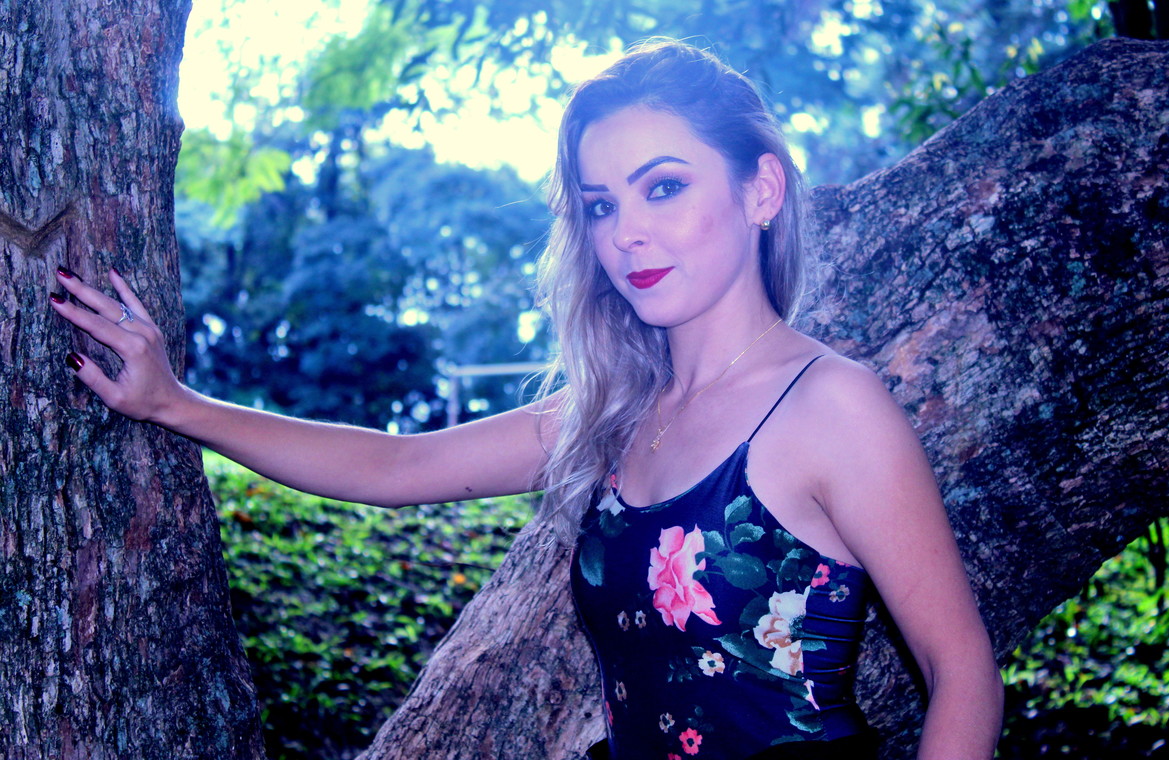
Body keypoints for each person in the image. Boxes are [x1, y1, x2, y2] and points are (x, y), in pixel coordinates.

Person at [51, 39, 1003, 759]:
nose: (626, 234)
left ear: (762, 191)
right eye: (601, 205)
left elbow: (962, 675)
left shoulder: (831, 407)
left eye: (663, 188)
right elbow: (397, 466)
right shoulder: (615, 411)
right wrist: (174, 403)